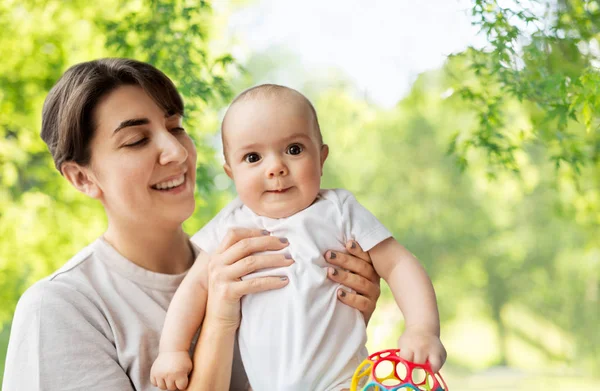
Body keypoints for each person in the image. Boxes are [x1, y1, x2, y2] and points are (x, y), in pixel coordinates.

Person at [2, 59, 382, 391]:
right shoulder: (61, 309)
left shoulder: (261, 253)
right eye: (136, 140)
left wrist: (345, 317)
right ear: (82, 178)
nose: (177, 151)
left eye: (176, 127)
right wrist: (218, 319)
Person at [151, 84, 447, 391]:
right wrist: (172, 350)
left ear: (322, 158)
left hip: (344, 383)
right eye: (253, 157)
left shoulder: (339, 210)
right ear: (231, 173)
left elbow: (399, 264)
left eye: (294, 150)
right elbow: (195, 286)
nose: (276, 168)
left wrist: (422, 328)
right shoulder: (231, 224)